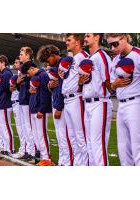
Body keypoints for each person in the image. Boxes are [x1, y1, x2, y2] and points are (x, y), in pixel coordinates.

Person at [79, 33, 113, 166]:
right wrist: (80, 82)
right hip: (87, 102)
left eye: (88, 35)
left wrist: (113, 90)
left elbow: (108, 80)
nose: (85, 38)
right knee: (90, 144)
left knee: (98, 144)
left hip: (100, 102)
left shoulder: (102, 56)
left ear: (97, 37)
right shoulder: (89, 58)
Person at [106, 33, 140, 165]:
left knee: (137, 147)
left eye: (115, 43)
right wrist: (114, 85)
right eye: (110, 45)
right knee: (123, 148)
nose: (113, 48)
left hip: (136, 102)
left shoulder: (137, 54)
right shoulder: (115, 60)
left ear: (124, 38)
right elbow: (111, 87)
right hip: (121, 105)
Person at [37, 45, 72, 166]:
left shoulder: (63, 64)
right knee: (60, 135)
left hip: (63, 104)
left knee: (64, 136)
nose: (48, 63)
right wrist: (50, 86)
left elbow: (64, 87)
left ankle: (67, 162)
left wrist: (59, 107)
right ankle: (63, 161)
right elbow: (55, 87)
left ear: (53, 55)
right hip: (57, 101)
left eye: (48, 59)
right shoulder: (56, 66)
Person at [60, 33, 89, 166]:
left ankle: (84, 165)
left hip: (77, 99)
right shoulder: (72, 59)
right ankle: (77, 164)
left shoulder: (84, 57)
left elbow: (87, 78)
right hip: (67, 99)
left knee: (80, 135)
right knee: (72, 136)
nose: (66, 42)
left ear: (77, 42)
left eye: (69, 40)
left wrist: (81, 85)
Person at [21, 61, 52, 165]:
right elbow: (34, 92)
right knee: (36, 134)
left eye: (28, 73)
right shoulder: (35, 77)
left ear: (31, 68)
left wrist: (41, 110)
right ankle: (40, 156)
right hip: (34, 108)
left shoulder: (43, 75)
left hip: (40, 109)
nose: (28, 75)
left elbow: (45, 94)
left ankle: (47, 158)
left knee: (41, 134)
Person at [16, 47, 36, 161]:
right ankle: (28, 150)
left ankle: (32, 152)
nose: (20, 56)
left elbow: (32, 82)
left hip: (28, 100)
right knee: (25, 126)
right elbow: (20, 86)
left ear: (28, 56)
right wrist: (18, 83)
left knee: (29, 127)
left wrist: (24, 83)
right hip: (22, 98)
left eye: (22, 54)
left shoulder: (31, 66)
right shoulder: (21, 69)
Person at [0, 55, 14, 155]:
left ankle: (9, 148)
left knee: (6, 127)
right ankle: (5, 147)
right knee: (2, 127)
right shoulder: (2, 74)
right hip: (0, 103)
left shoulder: (6, 73)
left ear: (3, 63)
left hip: (5, 103)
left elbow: (7, 89)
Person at [10, 57, 26, 159]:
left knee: (22, 128)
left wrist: (16, 84)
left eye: (16, 62)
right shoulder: (16, 76)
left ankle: (23, 150)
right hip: (15, 103)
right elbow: (11, 88)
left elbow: (16, 88)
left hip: (19, 103)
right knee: (20, 128)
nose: (15, 64)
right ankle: (23, 149)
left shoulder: (23, 75)